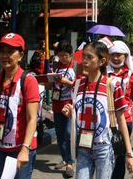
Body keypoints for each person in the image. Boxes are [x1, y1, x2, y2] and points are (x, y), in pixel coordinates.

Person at [62, 41, 133, 179]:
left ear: (102, 61)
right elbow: (78, 112)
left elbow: (121, 119)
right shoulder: (77, 85)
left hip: (104, 147)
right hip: (83, 145)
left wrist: (129, 153)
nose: (84, 60)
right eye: (84, 56)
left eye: (90, 57)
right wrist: (70, 111)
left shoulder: (113, 85)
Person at [0, 33, 40, 179]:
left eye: (10, 52)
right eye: (2, 51)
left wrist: (25, 150)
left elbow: (32, 118)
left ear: (20, 55)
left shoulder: (28, 81)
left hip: (20, 149)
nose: (5, 56)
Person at [108, 40, 133, 179]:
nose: (115, 58)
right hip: (105, 121)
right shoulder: (102, 73)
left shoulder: (132, 75)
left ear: (126, 56)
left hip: (126, 120)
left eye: (119, 55)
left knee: (119, 155)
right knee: (104, 155)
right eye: (112, 54)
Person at [51, 40, 76, 178]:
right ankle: (65, 159)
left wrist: (67, 82)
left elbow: (78, 86)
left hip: (68, 104)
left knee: (68, 133)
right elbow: (51, 86)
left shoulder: (75, 67)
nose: (63, 58)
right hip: (56, 103)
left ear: (71, 55)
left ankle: (70, 163)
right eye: (60, 55)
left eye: (65, 55)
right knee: (60, 134)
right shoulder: (56, 66)